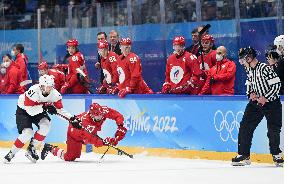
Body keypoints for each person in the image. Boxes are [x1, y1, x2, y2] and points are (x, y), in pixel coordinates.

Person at [3, 75, 81, 163]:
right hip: (24, 109)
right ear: (41, 86)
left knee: (46, 125)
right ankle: (11, 153)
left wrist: (71, 118)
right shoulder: (33, 91)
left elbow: (59, 110)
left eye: (51, 87)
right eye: (47, 87)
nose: (49, 89)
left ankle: (31, 148)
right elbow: (30, 111)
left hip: (39, 109)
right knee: (28, 133)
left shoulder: (55, 94)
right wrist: (45, 107)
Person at [231, 47, 283, 167]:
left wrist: (266, 97)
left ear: (249, 58)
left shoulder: (265, 68)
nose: (241, 62)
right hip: (256, 103)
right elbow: (249, 83)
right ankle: (244, 154)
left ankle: (276, 155)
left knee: (273, 129)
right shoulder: (249, 69)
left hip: (272, 103)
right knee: (245, 126)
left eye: (242, 60)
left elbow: (277, 85)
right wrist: (250, 94)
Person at [41, 102, 127, 162]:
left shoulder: (103, 111)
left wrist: (120, 125)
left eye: (101, 115)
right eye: (97, 117)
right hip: (74, 133)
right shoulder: (86, 123)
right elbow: (95, 141)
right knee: (70, 158)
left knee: (88, 138)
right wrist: (105, 142)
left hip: (86, 133)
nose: (100, 118)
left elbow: (117, 115)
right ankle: (50, 148)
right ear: (91, 115)